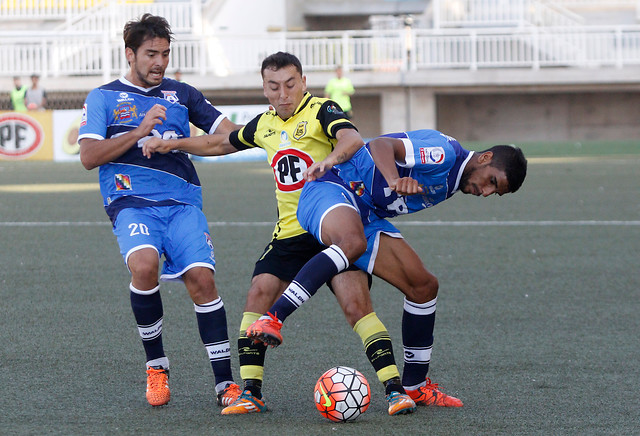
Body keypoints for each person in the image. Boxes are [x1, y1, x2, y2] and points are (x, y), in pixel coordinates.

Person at [142, 51, 417, 417]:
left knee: (356, 305)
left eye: (290, 84)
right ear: (265, 88)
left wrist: (330, 160)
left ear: (303, 82)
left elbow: (352, 139)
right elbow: (219, 143)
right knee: (257, 294)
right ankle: (251, 393)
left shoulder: (321, 109)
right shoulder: (264, 124)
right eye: (274, 86)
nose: (283, 93)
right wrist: (172, 144)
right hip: (289, 233)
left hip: (332, 226)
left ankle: (395, 391)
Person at [247, 130, 527, 406]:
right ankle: (273, 317)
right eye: (491, 181)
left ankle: (416, 386)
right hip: (331, 188)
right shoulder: (445, 154)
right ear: (485, 157)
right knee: (352, 242)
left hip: (365, 214)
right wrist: (394, 179)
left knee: (424, 286)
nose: (486, 192)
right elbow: (382, 145)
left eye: (495, 192)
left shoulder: (455, 181)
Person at [77, 13, 242, 408]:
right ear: (130, 54)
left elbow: (230, 135)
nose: (159, 62)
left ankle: (225, 385)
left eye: (165, 54)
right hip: (131, 202)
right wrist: (138, 132)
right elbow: (87, 156)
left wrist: (179, 142)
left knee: (202, 279)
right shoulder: (103, 97)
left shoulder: (183, 94)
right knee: (145, 265)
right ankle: (156, 366)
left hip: (183, 201)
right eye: (151, 54)